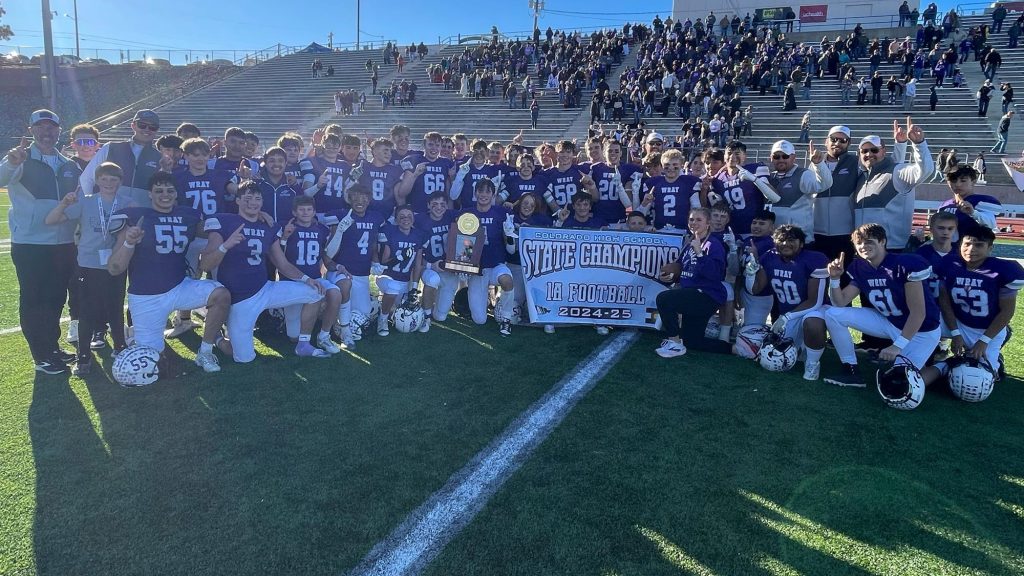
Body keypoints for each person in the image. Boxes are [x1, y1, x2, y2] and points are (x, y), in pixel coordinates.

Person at [106, 172, 232, 374]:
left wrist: (257, 215)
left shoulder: (189, 216)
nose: (165, 195)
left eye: (169, 191)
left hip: (179, 286)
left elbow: (218, 229)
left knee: (221, 295)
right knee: (151, 360)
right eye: (159, 191)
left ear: (176, 194)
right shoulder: (135, 218)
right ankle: (135, 337)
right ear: (150, 194)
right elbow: (115, 268)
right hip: (147, 295)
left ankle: (206, 351)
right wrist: (129, 242)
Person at [201, 181, 329, 362]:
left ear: (262, 202)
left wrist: (307, 279)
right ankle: (218, 338)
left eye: (257, 199)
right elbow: (205, 265)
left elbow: (282, 264)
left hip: (266, 289)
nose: (253, 202)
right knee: (243, 358)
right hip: (241, 299)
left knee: (315, 292)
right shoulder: (224, 222)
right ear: (237, 200)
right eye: (248, 198)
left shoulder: (268, 225)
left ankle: (303, 344)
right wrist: (225, 246)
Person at [1, 110, 79, 373]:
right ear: (31, 130)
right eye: (41, 127)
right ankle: (41, 355)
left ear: (59, 130)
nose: (47, 132)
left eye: (51, 127)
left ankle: (52, 346)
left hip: (63, 243)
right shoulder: (20, 158)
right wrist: (11, 163)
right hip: (31, 244)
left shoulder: (68, 163)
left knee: (56, 298)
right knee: (34, 298)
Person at [822, 223, 942, 387]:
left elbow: (918, 313)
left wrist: (897, 346)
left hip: (921, 331)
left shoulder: (904, 264)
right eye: (859, 243)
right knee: (832, 314)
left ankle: (943, 366)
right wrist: (835, 279)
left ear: (883, 241)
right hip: (889, 321)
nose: (863, 246)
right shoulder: (860, 266)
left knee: (900, 383)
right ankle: (850, 369)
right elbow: (840, 302)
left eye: (869, 242)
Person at [45, 162, 135, 374]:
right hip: (88, 264)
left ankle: (120, 346)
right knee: (87, 310)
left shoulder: (128, 203)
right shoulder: (86, 202)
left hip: (116, 264)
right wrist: (64, 203)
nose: (108, 183)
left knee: (115, 307)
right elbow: (51, 220)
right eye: (104, 179)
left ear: (120, 182)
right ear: (97, 181)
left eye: (113, 179)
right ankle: (83, 355)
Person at [745, 224, 830, 380]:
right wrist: (751, 272)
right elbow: (755, 290)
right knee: (774, 351)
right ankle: (803, 348)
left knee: (812, 322)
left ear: (802, 243)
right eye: (781, 240)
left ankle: (812, 364)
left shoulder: (814, 259)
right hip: (789, 314)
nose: (785, 244)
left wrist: (786, 317)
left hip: (816, 310)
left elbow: (815, 301)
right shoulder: (769, 257)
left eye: (791, 240)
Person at [936, 227, 1023, 379]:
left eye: (979, 245)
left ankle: (997, 360)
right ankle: (932, 353)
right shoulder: (950, 264)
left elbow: (1007, 311)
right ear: (960, 244)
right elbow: (944, 301)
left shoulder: (1003, 270)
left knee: (982, 378)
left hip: (985, 328)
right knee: (924, 324)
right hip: (957, 321)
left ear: (990, 248)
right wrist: (955, 333)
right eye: (967, 244)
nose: (971, 249)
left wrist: (984, 341)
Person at [440, 178, 516, 335]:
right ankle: (486, 299)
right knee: (479, 319)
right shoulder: (467, 213)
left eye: (488, 191)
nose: (484, 195)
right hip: (476, 270)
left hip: (496, 265)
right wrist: (462, 264)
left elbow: (511, 248)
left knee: (507, 281)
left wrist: (510, 234)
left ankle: (506, 318)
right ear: (475, 193)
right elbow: (459, 237)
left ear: (493, 195)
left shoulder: (502, 213)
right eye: (481, 191)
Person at [654, 207, 732, 357]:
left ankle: (674, 342)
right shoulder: (689, 242)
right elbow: (682, 269)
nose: (694, 222)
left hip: (707, 295)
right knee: (692, 341)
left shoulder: (713, 244)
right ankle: (735, 349)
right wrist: (668, 277)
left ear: (708, 223)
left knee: (664, 299)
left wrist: (700, 253)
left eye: (698, 220)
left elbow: (716, 275)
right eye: (691, 219)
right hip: (693, 293)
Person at [853, 118, 934, 252]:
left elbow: (925, 171)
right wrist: (900, 144)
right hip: (863, 249)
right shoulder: (862, 177)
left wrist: (919, 144)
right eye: (864, 151)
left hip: (892, 249)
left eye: (874, 150)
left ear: (883, 151)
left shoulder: (897, 172)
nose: (869, 154)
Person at [57, 123, 102, 346]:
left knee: (101, 279)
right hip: (74, 232)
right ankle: (75, 321)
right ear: (73, 144)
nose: (85, 146)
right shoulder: (67, 166)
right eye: (81, 141)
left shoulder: (104, 167)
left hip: (99, 232)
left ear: (97, 144)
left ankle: (101, 325)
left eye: (90, 141)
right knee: (76, 279)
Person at [80, 109, 162, 207]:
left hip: (142, 212)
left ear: (157, 130)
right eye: (142, 125)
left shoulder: (160, 158)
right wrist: (89, 204)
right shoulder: (110, 148)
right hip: (107, 211)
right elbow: (87, 178)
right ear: (133, 125)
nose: (147, 129)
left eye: (153, 127)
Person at [767, 140, 833, 240]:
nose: (781, 159)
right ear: (771, 158)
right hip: (775, 239)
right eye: (776, 157)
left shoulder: (803, 174)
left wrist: (818, 164)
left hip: (799, 240)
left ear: (794, 157)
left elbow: (824, 184)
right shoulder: (769, 177)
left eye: (785, 156)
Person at [813, 126, 861, 262]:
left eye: (843, 140)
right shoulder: (815, 162)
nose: (837, 143)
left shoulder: (856, 162)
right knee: (820, 272)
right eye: (833, 139)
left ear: (849, 143)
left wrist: (900, 144)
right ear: (826, 141)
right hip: (817, 232)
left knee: (844, 272)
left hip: (845, 233)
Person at [938, 164, 1001, 240]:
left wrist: (973, 213)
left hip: (971, 246)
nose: (957, 184)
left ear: (973, 181)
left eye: (963, 180)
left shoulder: (982, 201)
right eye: (953, 180)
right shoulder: (944, 205)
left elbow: (991, 224)